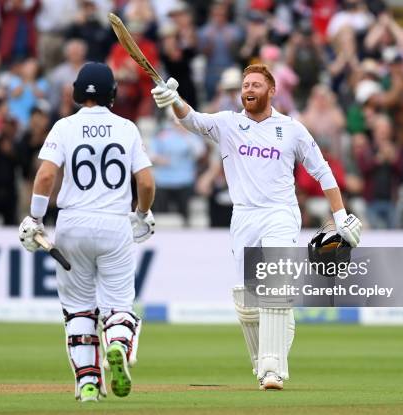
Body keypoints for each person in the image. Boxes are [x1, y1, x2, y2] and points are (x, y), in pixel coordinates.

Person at [150, 63, 362, 390]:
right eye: (245, 85)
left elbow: (323, 172)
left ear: (272, 90)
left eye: (256, 85)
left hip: (280, 212)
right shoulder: (228, 123)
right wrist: (173, 99)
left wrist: (342, 215)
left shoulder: (292, 129)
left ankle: (272, 369)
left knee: (274, 284)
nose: (248, 90)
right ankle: (263, 364)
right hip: (244, 216)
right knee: (249, 302)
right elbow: (192, 119)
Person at [17, 63, 155, 402]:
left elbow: (46, 177)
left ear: (78, 93)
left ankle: (88, 384)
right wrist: (142, 214)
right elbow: (147, 182)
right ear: (113, 93)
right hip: (114, 224)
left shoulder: (64, 127)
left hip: (72, 225)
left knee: (78, 308)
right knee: (119, 305)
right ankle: (119, 345)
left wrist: (35, 219)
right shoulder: (127, 128)